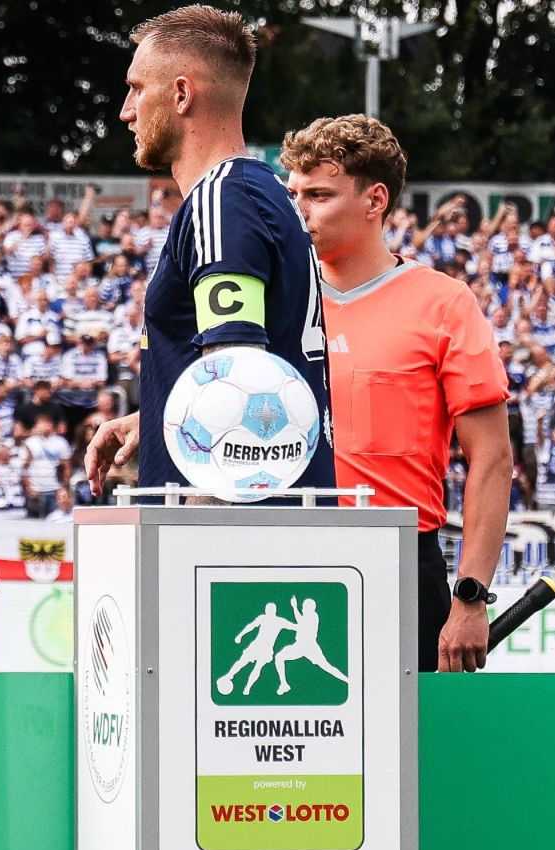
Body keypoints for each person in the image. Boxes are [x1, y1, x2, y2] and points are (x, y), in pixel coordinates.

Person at [280, 114, 512, 674]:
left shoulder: (445, 303)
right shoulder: (275, 300)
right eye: (294, 194)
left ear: (374, 199)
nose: (300, 210)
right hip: (282, 559)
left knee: (412, 760)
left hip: (400, 564)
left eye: (318, 194)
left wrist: (471, 597)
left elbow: (493, 458)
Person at [84, 6, 334, 502]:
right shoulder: (259, 190)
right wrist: (157, 420)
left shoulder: (223, 198)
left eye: (136, 88)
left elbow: (238, 390)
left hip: (228, 547)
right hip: (275, 522)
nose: (126, 110)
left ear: (181, 94)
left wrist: (199, 542)